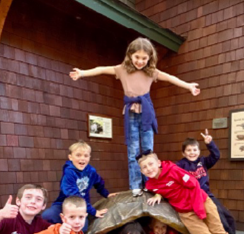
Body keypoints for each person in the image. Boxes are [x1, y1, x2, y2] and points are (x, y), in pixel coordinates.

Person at [70, 37, 201, 195]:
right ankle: (135, 186)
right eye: (137, 57)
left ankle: (151, 184)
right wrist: (83, 73)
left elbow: (170, 78)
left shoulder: (151, 72)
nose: (140, 61)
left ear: (149, 58)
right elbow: (102, 69)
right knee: (133, 152)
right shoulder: (122, 69)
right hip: (131, 113)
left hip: (146, 113)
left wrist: (188, 86)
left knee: (148, 150)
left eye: (144, 58)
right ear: (130, 56)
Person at [175, 132, 244, 234]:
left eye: (194, 149)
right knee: (218, 215)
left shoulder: (203, 162)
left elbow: (216, 156)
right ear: (183, 153)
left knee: (228, 216)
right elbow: (171, 173)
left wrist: (210, 144)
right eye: (188, 150)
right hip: (195, 197)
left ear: (198, 151)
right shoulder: (181, 165)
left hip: (207, 195)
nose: (192, 152)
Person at [42, 141, 110, 228]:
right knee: (47, 216)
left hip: (80, 207)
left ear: (89, 157)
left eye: (86, 156)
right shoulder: (69, 172)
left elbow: (99, 182)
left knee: (83, 227)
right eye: (78, 155)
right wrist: (93, 211)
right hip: (63, 204)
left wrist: (106, 194)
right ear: (70, 157)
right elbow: (72, 194)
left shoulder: (91, 171)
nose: (82, 158)